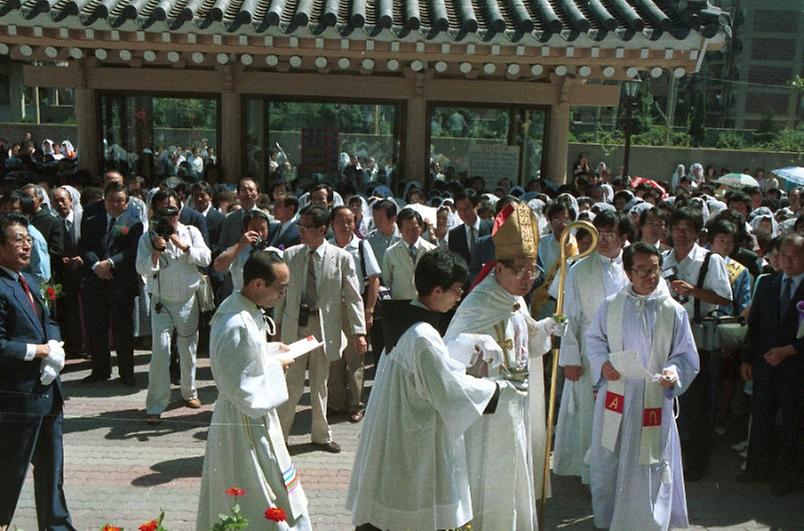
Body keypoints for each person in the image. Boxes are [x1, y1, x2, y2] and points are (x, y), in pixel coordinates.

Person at [347, 248, 511, 530]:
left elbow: (432, 368)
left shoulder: (405, 318)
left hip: (395, 427)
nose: (459, 297)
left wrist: (465, 345)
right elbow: (447, 390)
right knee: (411, 511)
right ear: (437, 290)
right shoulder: (422, 336)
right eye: (457, 290)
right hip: (413, 437)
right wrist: (495, 389)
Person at [443, 203, 565, 530]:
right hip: (488, 411)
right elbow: (450, 349)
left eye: (533, 270)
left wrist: (547, 328)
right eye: (520, 269)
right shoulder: (480, 301)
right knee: (490, 479)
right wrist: (479, 348)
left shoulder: (517, 299)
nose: (528, 278)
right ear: (498, 268)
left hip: (517, 408)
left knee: (513, 478)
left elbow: (529, 345)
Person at [586, 242, 699, 530]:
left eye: (655, 270)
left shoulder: (673, 311)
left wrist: (673, 372)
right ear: (627, 272)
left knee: (652, 463)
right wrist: (602, 363)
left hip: (653, 398)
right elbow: (595, 340)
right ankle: (611, 519)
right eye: (643, 271)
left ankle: (651, 522)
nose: (651, 276)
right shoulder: (611, 306)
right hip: (618, 396)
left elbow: (684, 353)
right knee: (610, 460)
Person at [197, 251, 311, 530]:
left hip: (248, 417)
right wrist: (278, 366)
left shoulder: (242, 307)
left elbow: (245, 360)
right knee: (259, 489)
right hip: (244, 422)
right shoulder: (238, 324)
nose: (282, 294)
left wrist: (272, 352)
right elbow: (242, 387)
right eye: (280, 288)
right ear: (258, 284)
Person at [0, 213, 75, 531]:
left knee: (51, 469)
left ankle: (56, 526)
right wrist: (38, 351)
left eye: (28, 239)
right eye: (18, 240)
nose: (26, 246)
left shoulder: (31, 280)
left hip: (48, 394)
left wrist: (55, 345)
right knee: (10, 470)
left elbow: (50, 319)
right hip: (18, 398)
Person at [275, 205, 366, 453]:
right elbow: (281, 293)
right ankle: (279, 436)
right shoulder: (291, 255)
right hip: (296, 325)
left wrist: (359, 332)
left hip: (324, 328)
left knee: (320, 383)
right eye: (300, 227)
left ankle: (321, 435)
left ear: (322, 229)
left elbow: (353, 296)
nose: (301, 232)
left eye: (306, 227)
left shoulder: (341, 258)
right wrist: (277, 324)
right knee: (291, 383)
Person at [552, 211, 631, 485]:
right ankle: (591, 476)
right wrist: (570, 358)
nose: (605, 239)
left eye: (611, 233)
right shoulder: (579, 269)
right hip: (589, 354)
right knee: (591, 415)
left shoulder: (633, 266)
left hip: (625, 352)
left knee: (621, 414)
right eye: (600, 232)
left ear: (623, 237)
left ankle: (619, 474)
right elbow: (569, 316)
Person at [661, 207, 731, 480]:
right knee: (673, 402)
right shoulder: (664, 259)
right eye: (677, 228)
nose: (681, 233)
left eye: (687, 229)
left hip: (699, 340)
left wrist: (694, 292)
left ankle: (698, 465)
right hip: (668, 339)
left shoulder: (709, 260)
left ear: (698, 233)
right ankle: (673, 459)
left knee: (698, 404)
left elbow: (725, 298)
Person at [136, 190, 211, 424]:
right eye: (164, 212)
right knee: (160, 351)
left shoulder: (191, 232)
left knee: (188, 348)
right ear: (156, 213)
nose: (170, 217)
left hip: (188, 299)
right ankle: (156, 404)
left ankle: (189, 392)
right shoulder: (147, 237)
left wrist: (183, 245)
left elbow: (206, 258)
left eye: (174, 212)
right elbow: (142, 269)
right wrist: (157, 252)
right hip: (161, 302)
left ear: (180, 211)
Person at [738, 233, 804, 496]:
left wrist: (790, 350)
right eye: (782, 254)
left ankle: (788, 476)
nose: (786, 260)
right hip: (765, 363)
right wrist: (746, 357)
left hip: (796, 367)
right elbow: (755, 325)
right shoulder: (768, 283)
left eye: (794, 255)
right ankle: (756, 469)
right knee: (762, 417)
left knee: (792, 423)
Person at [80, 181, 144, 385]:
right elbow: (85, 246)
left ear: (126, 203)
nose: (114, 204)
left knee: (123, 331)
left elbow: (132, 251)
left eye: (119, 201)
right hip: (96, 281)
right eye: (111, 200)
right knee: (96, 327)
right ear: (104, 200)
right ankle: (100, 370)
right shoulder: (91, 220)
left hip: (121, 284)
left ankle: (126, 373)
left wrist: (110, 263)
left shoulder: (134, 223)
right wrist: (96, 265)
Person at [327, 206, 380, 423]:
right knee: (333, 357)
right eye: (341, 221)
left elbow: (374, 278)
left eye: (350, 221)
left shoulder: (361, 245)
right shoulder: (326, 246)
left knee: (355, 356)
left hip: (354, 305)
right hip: (330, 307)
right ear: (332, 224)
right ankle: (336, 403)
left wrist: (369, 310)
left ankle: (356, 405)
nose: (346, 225)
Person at [52, 187, 84, 358]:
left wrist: (83, 258)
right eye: (56, 201)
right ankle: (72, 346)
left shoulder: (82, 219)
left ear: (71, 201)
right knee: (67, 313)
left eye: (63, 200)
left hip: (84, 273)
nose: (60, 204)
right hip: (63, 276)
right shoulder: (53, 222)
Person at [213, 209, 275, 293]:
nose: (259, 233)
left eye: (263, 229)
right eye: (254, 229)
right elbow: (218, 267)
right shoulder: (236, 252)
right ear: (245, 230)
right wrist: (240, 245)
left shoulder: (276, 253)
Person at [382, 208, 436, 300]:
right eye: (407, 229)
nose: (411, 233)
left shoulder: (432, 251)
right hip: (400, 303)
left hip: (426, 303)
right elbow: (387, 280)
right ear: (400, 230)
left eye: (414, 229)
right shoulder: (391, 253)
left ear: (421, 227)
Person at [448, 189, 492, 283]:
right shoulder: (454, 234)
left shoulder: (491, 228)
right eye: (460, 209)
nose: (464, 213)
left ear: (477, 206)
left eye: (467, 208)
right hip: (465, 287)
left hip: (489, 284)